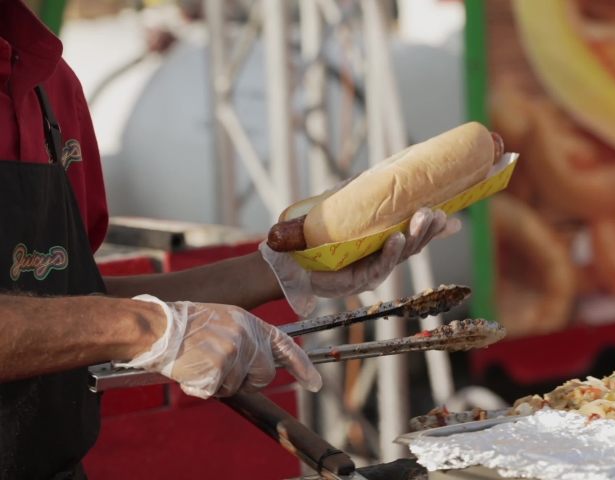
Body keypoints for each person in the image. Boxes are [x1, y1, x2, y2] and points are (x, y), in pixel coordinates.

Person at [0, 1, 462, 478]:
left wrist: (288, 270)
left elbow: (77, 302)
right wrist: (150, 330)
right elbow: (118, 322)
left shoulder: (52, 84)